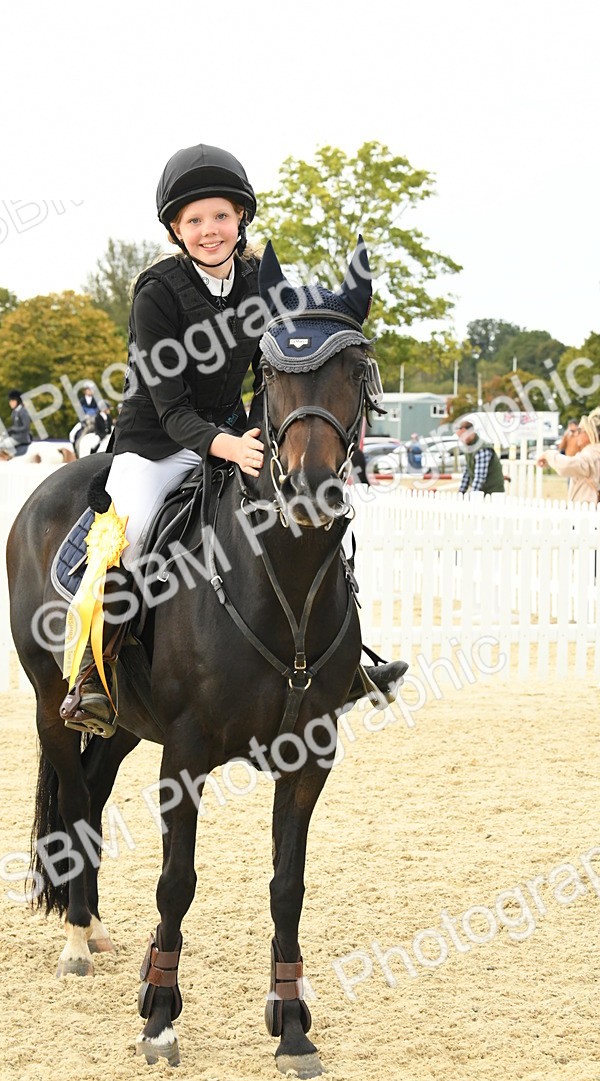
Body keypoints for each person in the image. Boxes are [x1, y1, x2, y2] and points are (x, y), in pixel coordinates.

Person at [60, 144, 406, 735]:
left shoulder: (260, 283)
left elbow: (283, 365)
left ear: (241, 217)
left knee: (313, 517)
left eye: (220, 216)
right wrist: (224, 445)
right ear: (175, 229)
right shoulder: (156, 293)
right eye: (193, 221)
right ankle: (95, 676)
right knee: (133, 533)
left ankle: (345, 661)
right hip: (154, 444)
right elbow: (170, 409)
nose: (209, 230)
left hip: (235, 436)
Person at [537, 408, 600, 504]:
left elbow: (567, 465)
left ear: (590, 433)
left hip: (587, 508)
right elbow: (562, 446)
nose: (576, 434)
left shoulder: (592, 454)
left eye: (580, 430)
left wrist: (548, 454)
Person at [456, 421, 505, 494]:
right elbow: (467, 473)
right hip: (481, 492)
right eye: (460, 436)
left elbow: (480, 478)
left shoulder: (482, 449)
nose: (461, 439)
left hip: (493, 492)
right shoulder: (469, 448)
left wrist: (471, 496)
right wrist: (460, 494)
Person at [0, 390, 32, 458]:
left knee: (0, 446)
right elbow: (15, 426)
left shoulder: (23, 412)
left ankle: (7, 460)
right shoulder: (14, 412)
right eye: (10, 401)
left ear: (18, 401)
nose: (10, 403)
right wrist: (9, 431)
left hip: (22, 438)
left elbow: (26, 427)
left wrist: (13, 430)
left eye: (13, 401)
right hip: (15, 436)